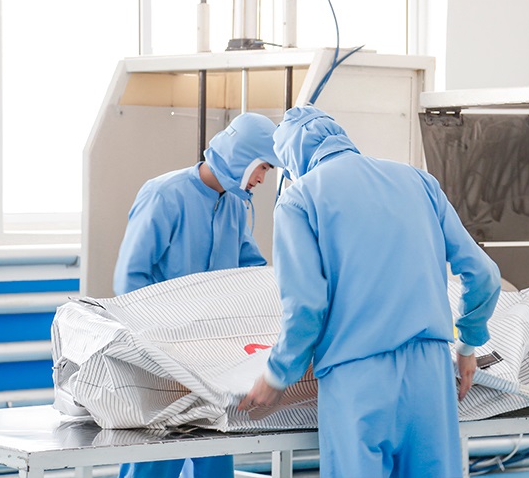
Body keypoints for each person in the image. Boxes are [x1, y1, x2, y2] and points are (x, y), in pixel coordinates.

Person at [239, 106, 501, 478]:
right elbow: (484, 274)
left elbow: (306, 307)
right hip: (431, 376)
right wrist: (468, 344)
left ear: (292, 159)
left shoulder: (300, 200)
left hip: (356, 379)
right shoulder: (419, 182)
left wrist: (277, 375)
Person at [113, 111, 282, 478]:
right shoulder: (164, 194)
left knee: (216, 449)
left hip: (213, 356)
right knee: (158, 453)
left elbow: (252, 272)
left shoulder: (234, 206)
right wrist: (155, 343)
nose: (261, 179)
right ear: (242, 157)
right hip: (162, 352)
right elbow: (130, 276)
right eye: (263, 167)